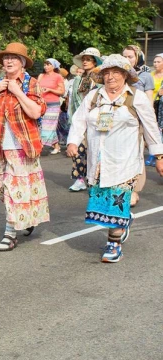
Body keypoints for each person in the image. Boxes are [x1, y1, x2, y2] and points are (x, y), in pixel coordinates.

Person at [67, 54, 163, 262]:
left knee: (116, 200)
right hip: (98, 162)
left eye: (116, 72)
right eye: (107, 73)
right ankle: (124, 219)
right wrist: (73, 142)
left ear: (125, 75)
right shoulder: (94, 97)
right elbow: (79, 121)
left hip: (125, 161)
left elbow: (151, 128)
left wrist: (159, 155)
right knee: (101, 200)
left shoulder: (136, 97)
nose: (111, 77)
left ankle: (113, 244)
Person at [0, 42, 50, 251]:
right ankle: (27, 217)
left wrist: (17, 91)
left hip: (23, 146)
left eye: (13, 58)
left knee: (12, 190)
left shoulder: (30, 83)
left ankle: (10, 233)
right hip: (0, 147)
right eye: (6, 58)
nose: (8, 61)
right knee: (3, 190)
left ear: (22, 63)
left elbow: (36, 112)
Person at [123, 45, 155, 207]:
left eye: (130, 56)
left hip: (137, 120)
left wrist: (148, 123)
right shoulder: (119, 74)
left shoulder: (145, 76)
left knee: (136, 154)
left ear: (138, 57)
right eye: (124, 56)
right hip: (120, 121)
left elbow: (149, 101)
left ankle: (134, 189)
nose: (127, 59)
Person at [68, 47, 103, 192]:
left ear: (95, 62)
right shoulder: (78, 79)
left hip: (95, 118)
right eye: (84, 59)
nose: (85, 62)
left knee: (95, 150)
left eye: (88, 59)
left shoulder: (99, 79)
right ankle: (80, 178)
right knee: (78, 149)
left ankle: (95, 178)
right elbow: (73, 100)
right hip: (80, 117)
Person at [38, 58, 65, 154]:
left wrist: (50, 90)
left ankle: (39, 146)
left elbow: (62, 92)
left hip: (53, 104)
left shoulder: (58, 76)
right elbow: (37, 88)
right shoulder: (41, 76)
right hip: (41, 104)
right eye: (45, 64)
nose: (45, 66)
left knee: (47, 125)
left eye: (48, 64)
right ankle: (57, 146)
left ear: (54, 66)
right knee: (48, 126)